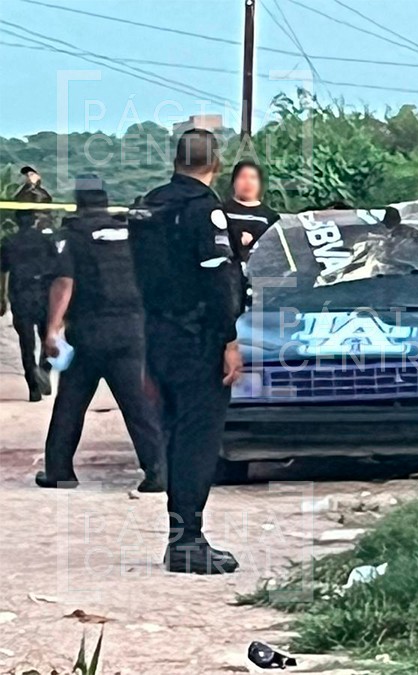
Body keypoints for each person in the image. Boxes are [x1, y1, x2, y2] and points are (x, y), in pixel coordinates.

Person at [130, 129, 243, 575]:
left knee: (174, 434)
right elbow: (219, 278)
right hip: (197, 337)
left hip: (156, 332)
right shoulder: (204, 210)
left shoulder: (146, 207)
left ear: (175, 160)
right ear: (215, 163)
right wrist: (229, 338)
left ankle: (179, 537)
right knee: (198, 439)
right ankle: (188, 540)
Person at [37, 176, 165, 492]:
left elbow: (64, 283)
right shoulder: (129, 232)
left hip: (91, 331)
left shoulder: (73, 235)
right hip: (132, 328)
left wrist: (52, 330)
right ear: (105, 202)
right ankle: (158, 472)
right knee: (138, 404)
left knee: (70, 402)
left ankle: (59, 471)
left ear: (79, 202)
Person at [1, 167, 56, 401]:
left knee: (26, 343)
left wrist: (1, 297)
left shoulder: (10, 242)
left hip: (20, 293)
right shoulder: (52, 240)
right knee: (49, 337)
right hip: (45, 293)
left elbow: (2, 272)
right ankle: (44, 370)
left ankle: (33, 387)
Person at [222, 160, 279, 263]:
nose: (247, 182)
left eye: (253, 177)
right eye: (242, 177)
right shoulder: (222, 210)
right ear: (234, 182)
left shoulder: (270, 216)